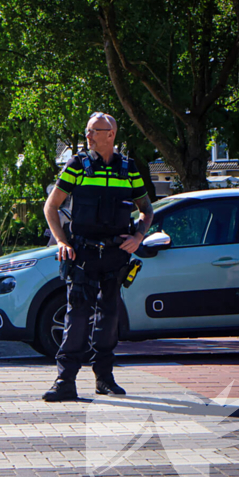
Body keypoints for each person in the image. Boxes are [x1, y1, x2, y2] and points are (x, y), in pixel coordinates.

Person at [41, 112, 153, 401]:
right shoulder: (77, 165)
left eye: (93, 131)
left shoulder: (129, 169)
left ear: (110, 135)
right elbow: (51, 206)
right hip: (83, 254)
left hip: (115, 256)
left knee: (109, 316)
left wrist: (138, 237)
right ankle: (65, 381)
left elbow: (146, 210)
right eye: (88, 130)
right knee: (77, 316)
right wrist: (61, 242)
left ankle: (104, 378)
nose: (88, 135)